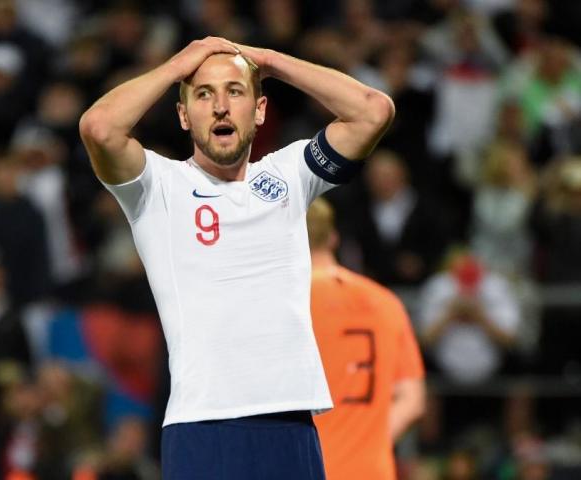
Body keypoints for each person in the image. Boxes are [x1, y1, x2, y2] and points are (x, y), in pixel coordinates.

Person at [79, 36, 394, 479]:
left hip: (291, 421)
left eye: (235, 91)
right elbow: (99, 128)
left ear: (260, 109)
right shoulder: (157, 188)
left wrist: (267, 61)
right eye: (204, 94)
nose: (221, 106)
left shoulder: (289, 175)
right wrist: (176, 66)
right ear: (185, 116)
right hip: (205, 426)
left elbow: (372, 111)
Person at [307, 197, 426, 480]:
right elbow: (413, 399)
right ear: (333, 237)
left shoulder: (281, 305)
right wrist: (367, 439)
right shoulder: (385, 301)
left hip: (302, 467)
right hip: (371, 470)